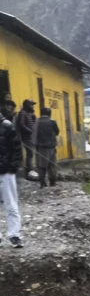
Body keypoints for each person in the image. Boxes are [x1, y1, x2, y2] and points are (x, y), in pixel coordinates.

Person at [0, 103, 23, 248]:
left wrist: (12, 167)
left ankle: (15, 235)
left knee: (11, 205)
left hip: (6, 172)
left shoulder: (7, 126)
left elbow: (17, 149)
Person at [32, 107, 60, 188]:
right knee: (52, 165)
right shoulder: (53, 122)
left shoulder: (37, 122)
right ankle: (52, 182)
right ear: (50, 114)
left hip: (40, 147)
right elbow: (57, 132)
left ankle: (42, 183)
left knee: (41, 166)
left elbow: (34, 134)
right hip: (51, 146)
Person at [14, 99, 37, 181]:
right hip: (26, 137)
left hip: (30, 136)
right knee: (29, 153)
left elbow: (32, 122)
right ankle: (29, 171)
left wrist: (34, 117)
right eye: (31, 105)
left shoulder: (29, 113)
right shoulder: (23, 113)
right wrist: (29, 130)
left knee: (30, 154)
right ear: (27, 105)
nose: (33, 106)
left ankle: (30, 171)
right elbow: (22, 124)